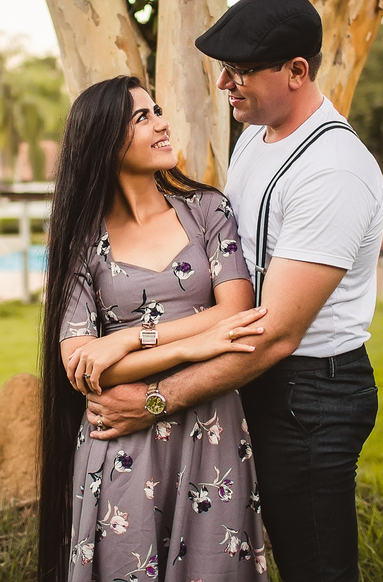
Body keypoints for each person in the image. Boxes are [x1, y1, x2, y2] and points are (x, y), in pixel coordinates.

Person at [85, 0, 383, 582]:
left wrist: (152, 400)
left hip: (309, 395)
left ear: (297, 71)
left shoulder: (333, 171)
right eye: (225, 68)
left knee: (316, 567)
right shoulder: (257, 135)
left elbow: (276, 334)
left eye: (242, 71)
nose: (225, 83)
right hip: (252, 375)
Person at [37, 75, 272, 582]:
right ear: (104, 140)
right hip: (121, 438)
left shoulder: (208, 210)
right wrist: (194, 344)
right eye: (142, 117)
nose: (162, 124)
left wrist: (126, 339)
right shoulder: (79, 238)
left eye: (157, 111)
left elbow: (236, 315)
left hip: (210, 431)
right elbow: (82, 364)